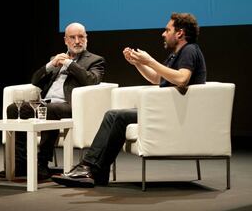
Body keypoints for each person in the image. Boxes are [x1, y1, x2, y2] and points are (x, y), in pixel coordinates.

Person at [51, 12, 207, 187]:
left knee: (114, 116)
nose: (163, 34)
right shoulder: (177, 54)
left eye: (167, 30)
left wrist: (150, 60)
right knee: (116, 117)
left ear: (179, 33)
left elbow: (182, 79)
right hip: (166, 109)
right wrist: (138, 63)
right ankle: (97, 173)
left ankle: (87, 167)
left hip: (173, 113)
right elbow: (157, 78)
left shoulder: (189, 50)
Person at [0, 22, 106, 180]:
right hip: (45, 103)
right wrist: (50, 65)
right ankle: (20, 164)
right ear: (65, 40)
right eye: (72, 37)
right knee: (14, 109)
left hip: (70, 106)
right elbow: (35, 81)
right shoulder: (56, 60)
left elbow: (92, 80)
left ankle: (42, 163)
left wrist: (70, 64)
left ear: (86, 39)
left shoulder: (95, 60)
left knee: (51, 109)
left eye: (81, 37)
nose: (77, 41)